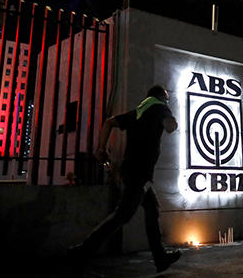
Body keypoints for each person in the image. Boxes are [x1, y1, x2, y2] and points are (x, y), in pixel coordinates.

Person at [69, 85, 181, 273]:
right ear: (161, 97)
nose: (167, 101)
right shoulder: (160, 107)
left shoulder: (138, 112)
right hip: (139, 174)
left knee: (152, 210)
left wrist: (101, 148)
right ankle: (81, 251)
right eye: (166, 98)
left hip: (133, 172)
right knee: (122, 215)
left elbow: (109, 123)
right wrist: (172, 120)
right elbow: (170, 127)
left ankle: (160, 257)